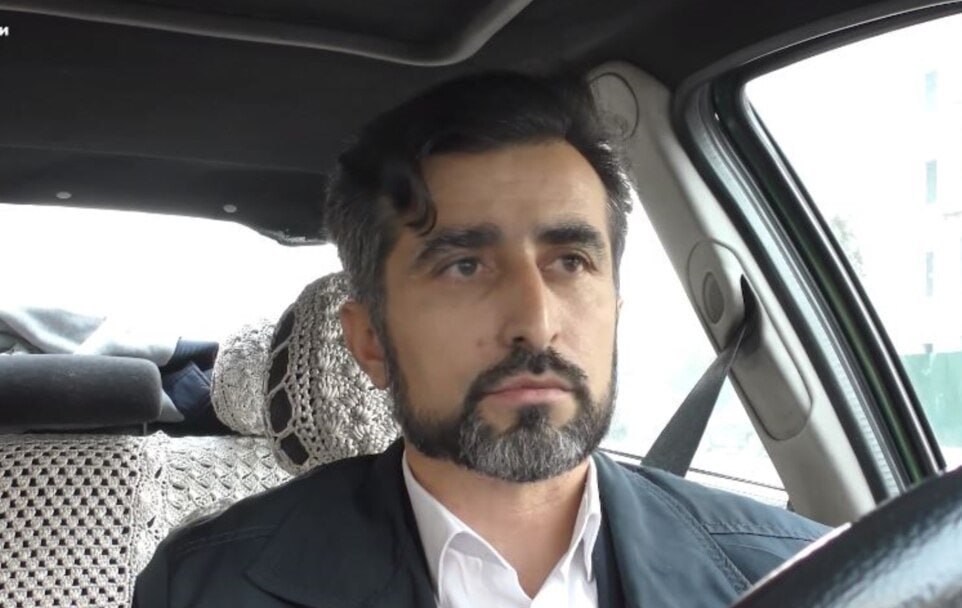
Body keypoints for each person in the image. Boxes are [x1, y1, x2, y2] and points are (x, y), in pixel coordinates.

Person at [132, 72, 829, 608]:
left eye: (570, 261)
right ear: (371, 341)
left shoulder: (801, 576)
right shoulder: (204, 588)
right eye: (465, 266)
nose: (537, 320)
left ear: (615, 308)